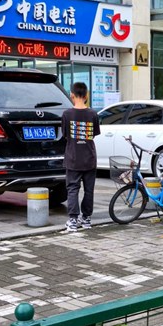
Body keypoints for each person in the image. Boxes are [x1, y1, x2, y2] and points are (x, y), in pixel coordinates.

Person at [61, 82, 100, 232]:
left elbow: (65, 135)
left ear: (72, 94)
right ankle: (86, 219)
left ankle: (72, 221)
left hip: (73, 158)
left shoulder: (67, 114)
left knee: (73, 189)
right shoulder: (93, 114)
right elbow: (93, 134)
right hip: (89, 158)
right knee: (89, 190)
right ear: (86, 95)